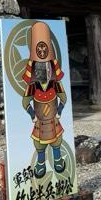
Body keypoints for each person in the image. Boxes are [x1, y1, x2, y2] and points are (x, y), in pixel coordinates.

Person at [21, 21, 67, 178]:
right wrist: (32, 115)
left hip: (53, 120)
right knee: (39, 144)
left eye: (46, 67)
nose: (43, 70)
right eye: (40, 67)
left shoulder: (55, 83)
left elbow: (63, 98)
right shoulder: (32, 86)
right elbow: (25, 102)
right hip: (40, 121)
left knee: (56, 141)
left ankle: (57, 159)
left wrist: (59, 110)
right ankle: (41, 163)